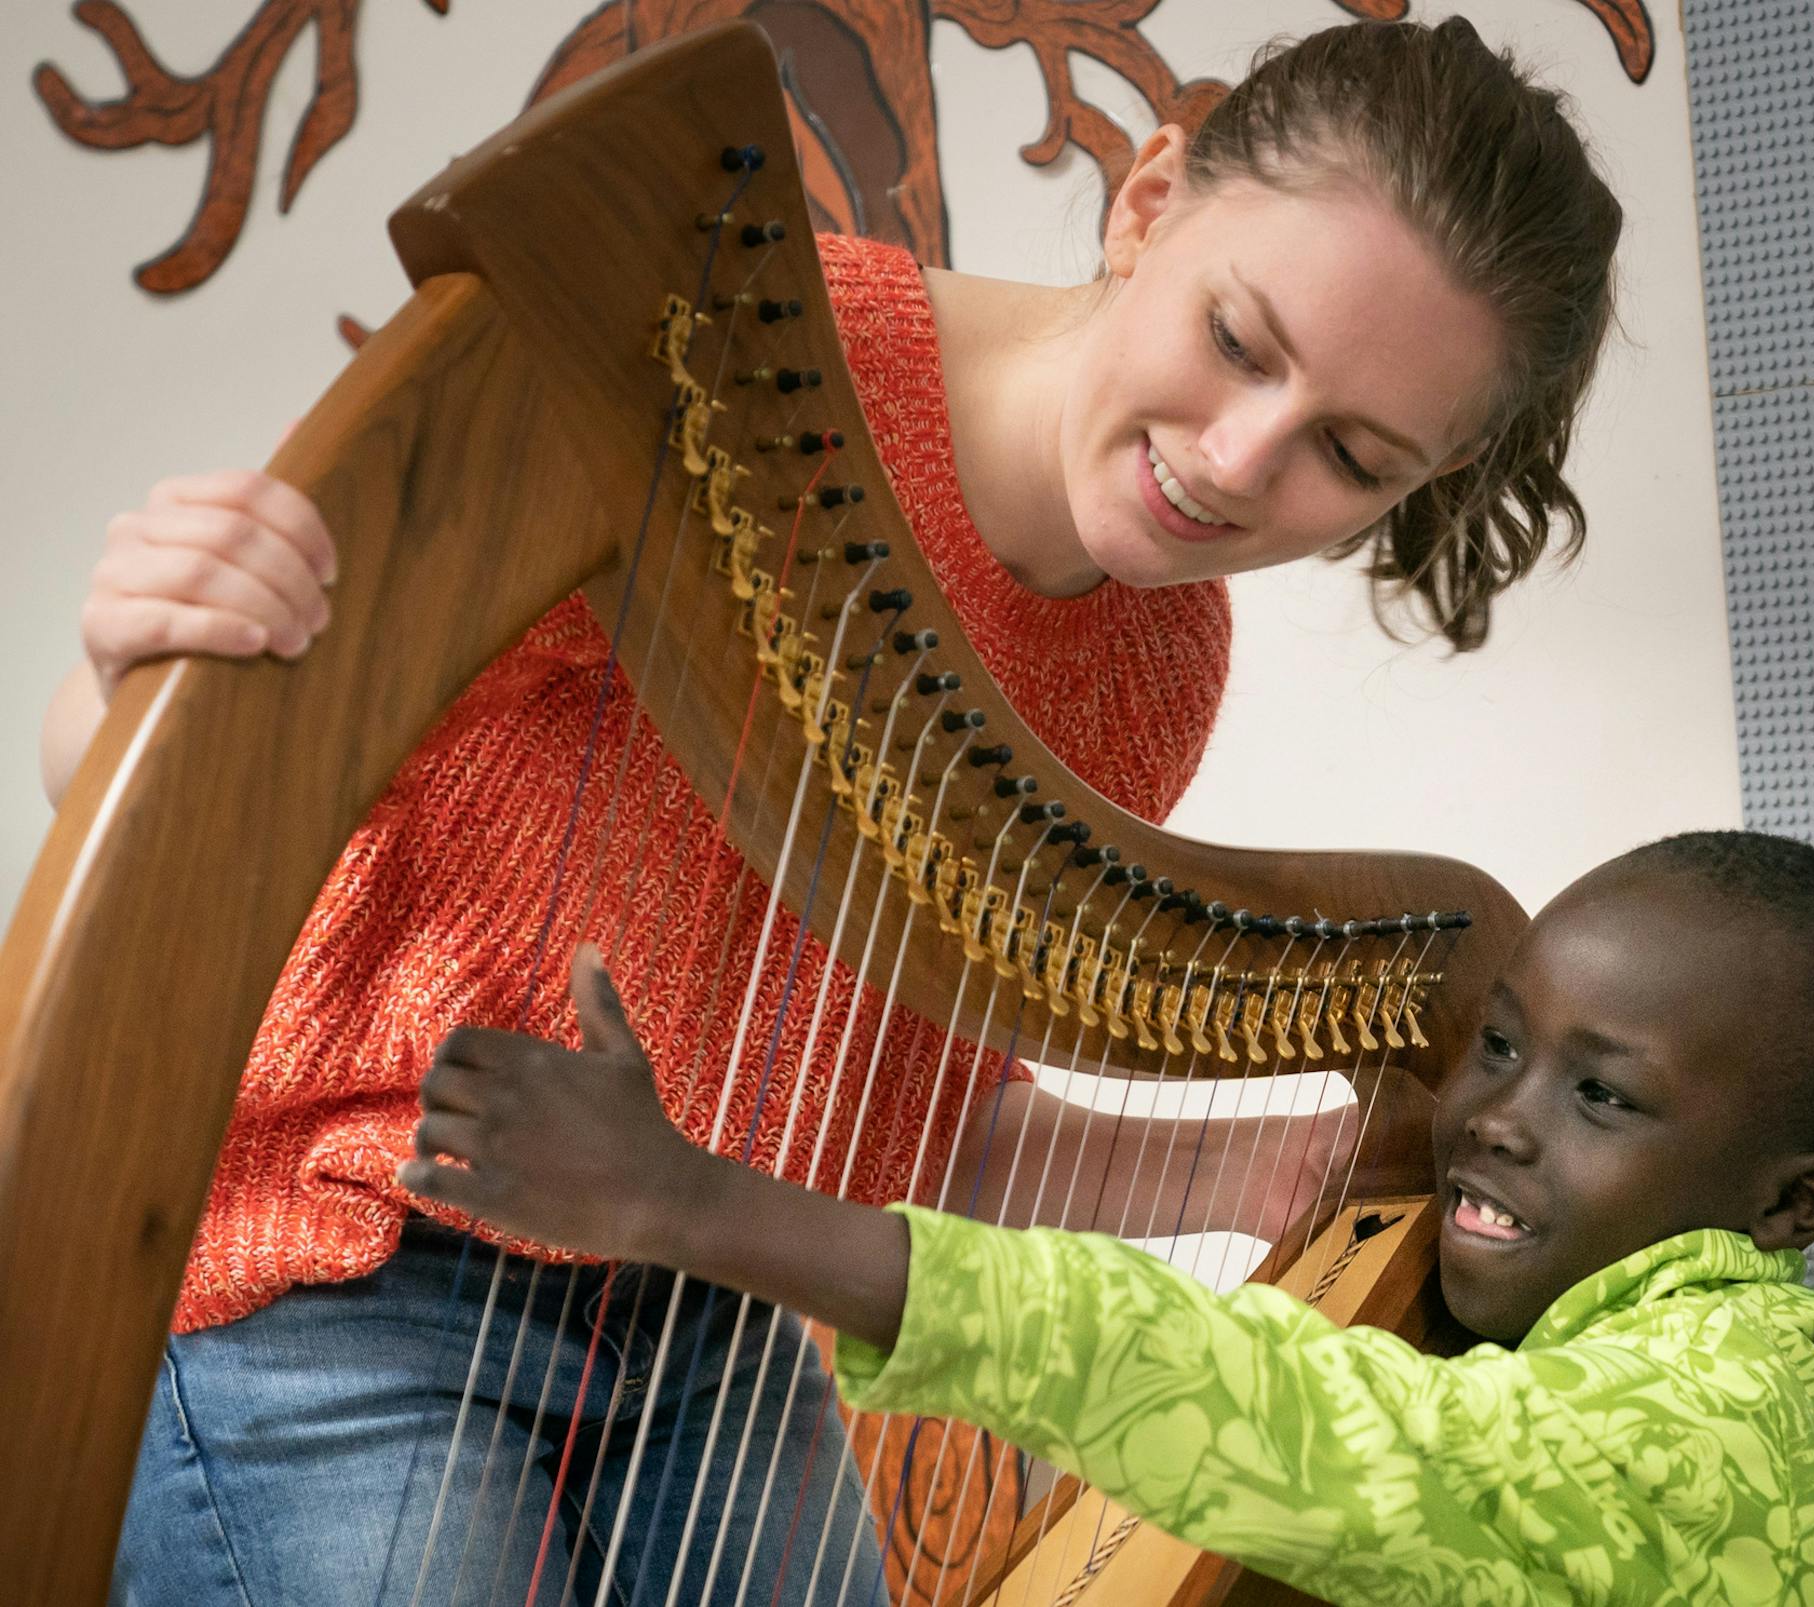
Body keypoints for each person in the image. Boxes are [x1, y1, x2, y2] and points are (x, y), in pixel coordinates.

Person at [40, 17, 1623, 1605]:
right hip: (341, 1267)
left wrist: (1235, 1176)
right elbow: (194, 790)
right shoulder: (712, 359)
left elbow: (875, 1106)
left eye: (1349, 455)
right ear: (1149, 201)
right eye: (1236, 340)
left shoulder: (1155, 661)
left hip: (702, 1308)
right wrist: (139, 663)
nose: (1235, 463)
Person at [407, 829, 1814, 1604]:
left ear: (1790, 1204)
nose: (1492, 1118)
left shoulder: (1728, 1408)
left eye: (1601, 1099)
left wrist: (698, 1204)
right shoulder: (1584, 1339)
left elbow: (1335, 1437)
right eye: (1498, 1044)